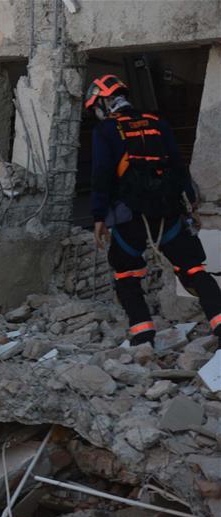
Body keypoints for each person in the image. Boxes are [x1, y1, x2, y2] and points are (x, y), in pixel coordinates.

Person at [86, 73, 221, 346]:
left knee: (126, 274)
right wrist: (191, 202)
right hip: (169, 210)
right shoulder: (158, 122)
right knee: (194, 269)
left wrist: (98, 216)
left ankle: (143, 337)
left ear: (103, 101)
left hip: (129, 215)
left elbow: (101, 175)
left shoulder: (106, 131)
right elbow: (179, 165)